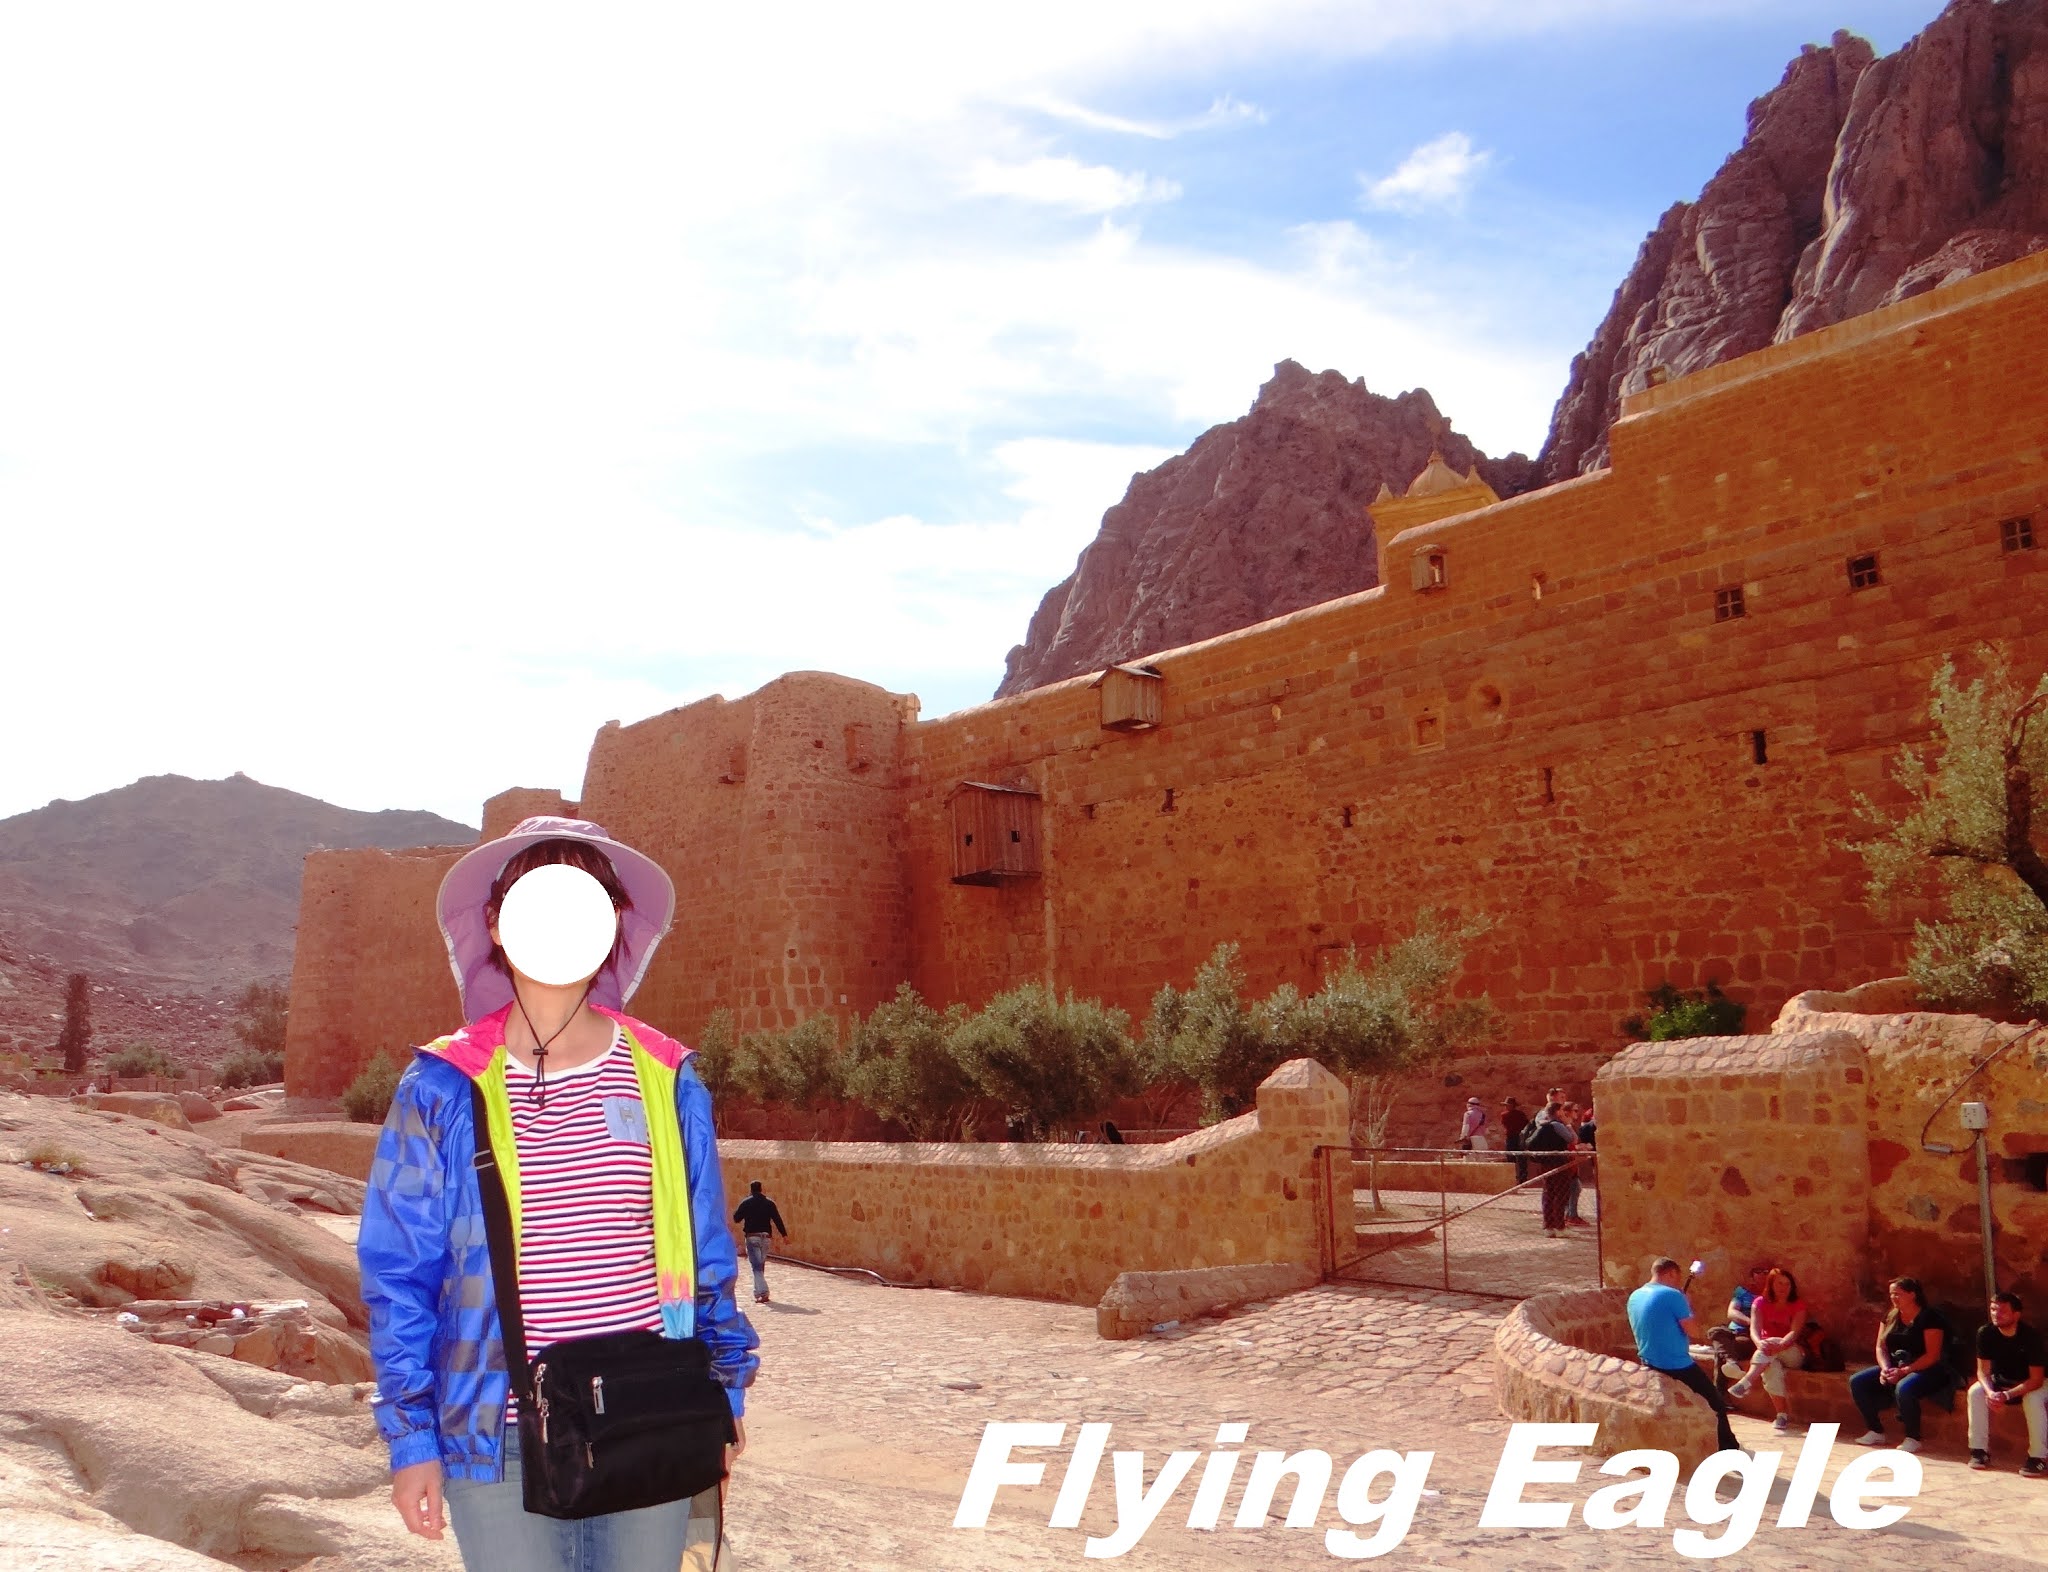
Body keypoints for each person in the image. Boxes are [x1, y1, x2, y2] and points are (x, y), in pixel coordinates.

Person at [358, 817, 759, 1571]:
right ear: (496, 924)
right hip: (495, 1425)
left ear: (612, 927)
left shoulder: (666, 1077)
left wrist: (724, 1395)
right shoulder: (442, 1086)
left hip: (646, 1408)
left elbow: (707, 1256)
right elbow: (400, 1272)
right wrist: (412, 1439)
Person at [1628, 1257, 1741, 1453]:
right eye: (1677, 1278)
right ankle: (1729, 1448)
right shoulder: (1672, 1295)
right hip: (1675, 1364)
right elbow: (1694, 1331)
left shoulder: (1635, 1295)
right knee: (1716, 1402)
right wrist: (1686, 1304)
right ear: (1671, 1273)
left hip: (1648, 1360)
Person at [1850, 1276, 1956, 1453]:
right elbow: (1880, 1347)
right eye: (1891, 1294)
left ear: (1912, 1294)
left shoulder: (1930, 1318)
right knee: (1857, 1381)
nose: (1893, 1298)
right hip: (1896, 1365)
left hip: (1927, 1368)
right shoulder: (1890, 1316)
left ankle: (1913, 1437)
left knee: (1904, 1388)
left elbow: (1932, 1355)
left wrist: (1904, 1371)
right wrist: (1885, 1369)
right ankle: (1875, 1430)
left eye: (1897, 1294)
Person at [1966, 1290, 2047, 1475]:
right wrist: (1991, 1393)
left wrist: (2007, 1395)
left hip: (2034, 1383)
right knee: (1975, 1392)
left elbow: (2036, 1379)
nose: (1996, 1314)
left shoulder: (2031, 1337)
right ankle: (1979, 1451)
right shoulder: (1985, 1333)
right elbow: (1983, 1371)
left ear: (2016, 1315)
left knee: (2032, 1399)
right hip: (2001, 1381)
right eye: (1993, 1309)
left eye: (2002, 1310)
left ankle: (2038, 1458)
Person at [1727, 1267, 1810, 1433]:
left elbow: (1794, 1333)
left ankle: (1747, 1381)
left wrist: (1780, 1343)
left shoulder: (1797, 1304)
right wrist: (1759, 1343)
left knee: (1770, 1346)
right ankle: (1781, 1415)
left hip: (1792, 1351)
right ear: (1771, 1284)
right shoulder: (1760, 1302)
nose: (1784, 1288)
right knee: (1771, 1369)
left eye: (1787, 1284)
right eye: (1780, 1283)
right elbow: (1754, 1329)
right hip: (1767, 1352)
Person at [1522, 1096, 1577, 1237]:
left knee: (1548, 1194)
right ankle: (1559, 1227)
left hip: (1545, 1163)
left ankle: (1549, 1226)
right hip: (1559, 1163)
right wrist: (1568, 1125)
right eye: (1562, 1110)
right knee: (1561, 1195)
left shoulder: (1542, 1125)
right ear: (1558, 1112)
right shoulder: (1557, 1125)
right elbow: (1572, 1139)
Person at [1711, 1261, 1771, 1379]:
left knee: (1722, 1351)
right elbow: (1732, 1312)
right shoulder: (1742, 1292)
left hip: (1748, 1335)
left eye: (1766, 1272)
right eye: (1758, 1271)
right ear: (1752, 1276)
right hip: (1733, 1331)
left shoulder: (1770, 1297)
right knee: (1715, 1332)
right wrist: (1750, 1321)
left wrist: (1754, 1326)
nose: (1762, 1275)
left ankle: (1730, 1364)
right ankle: (1731, 1363)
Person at [732, 1181, 789, 1305]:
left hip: (752, 1237)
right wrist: (784, 1235)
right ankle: (757, 1292)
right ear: (761, 1189)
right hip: (766, 1237)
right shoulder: (769, 1203)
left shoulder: (746, 1202)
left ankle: (763, 1292)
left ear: (751, 1189)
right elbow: (777, 1219)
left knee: (756, 1266)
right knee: (760, 1265)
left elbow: (736, 1218)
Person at [1559, 1101, 1591, 1228]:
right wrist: (1579, 1148)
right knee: (1574, 1187)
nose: (1577, 1113)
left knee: (1575, 1187)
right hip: (1568, 1162)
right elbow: (1569, 1143)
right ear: (1567, 1112)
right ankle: (1571, 1215)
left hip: (1572, 1162)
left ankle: (1570, 1214)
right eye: (1575, 1110)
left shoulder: (1569, 1126)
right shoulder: (1564, 1126)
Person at [1500, 1097, 1529, 1184]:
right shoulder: (1521, 1114)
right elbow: (1526, 1124)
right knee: (1521, 1159)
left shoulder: (1504, 1115)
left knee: (1511, 1159)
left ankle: (1512, 1178)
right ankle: (1522, 1179)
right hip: (1519, 1137)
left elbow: (1505, 1125)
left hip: (1511, 1138)